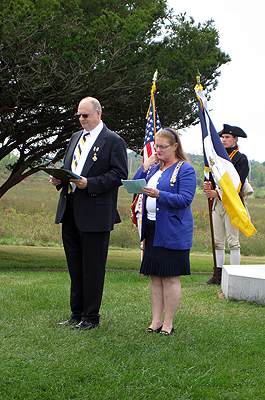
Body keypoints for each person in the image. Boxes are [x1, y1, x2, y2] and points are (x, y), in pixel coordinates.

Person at [50, 96, 128, 330]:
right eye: (79, 116)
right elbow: (69, 169)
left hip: (95, 212)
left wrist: (90, 183)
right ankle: (76, 312)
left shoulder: (113, 141)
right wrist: (59, 179)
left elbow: (119, 175)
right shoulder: (76, 138)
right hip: (71, 208)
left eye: (85, 115)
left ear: (98, 114)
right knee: (75, 264)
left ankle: (91, 317)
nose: (81, 119)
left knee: (92, 266)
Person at [133, 128, 196, 335]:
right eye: (156, 146)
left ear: (175, 146)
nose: (157, 150)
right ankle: (155, 321)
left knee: (169, 277)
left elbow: (185, 200)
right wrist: (145, 167)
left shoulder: (185, 169)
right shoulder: (154, 167)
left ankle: (168, 323)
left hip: (172, 231)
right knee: (155, 276)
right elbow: (134, 185)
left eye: (162, 147)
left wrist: (160, 194)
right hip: (152, 229)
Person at [203, 124, 249, 284]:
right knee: (217, 241)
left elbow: (237, 185)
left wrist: (216, 192)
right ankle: (218, 276)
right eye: (222, 137)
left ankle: (234, 276)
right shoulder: (216, 158)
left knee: (233, 242)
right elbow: (210, 177)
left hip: (232, 204)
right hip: (217, 203)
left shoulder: (240, 159)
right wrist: (207, 186)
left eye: (227, 137)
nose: (224, 140)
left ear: (235, 139)